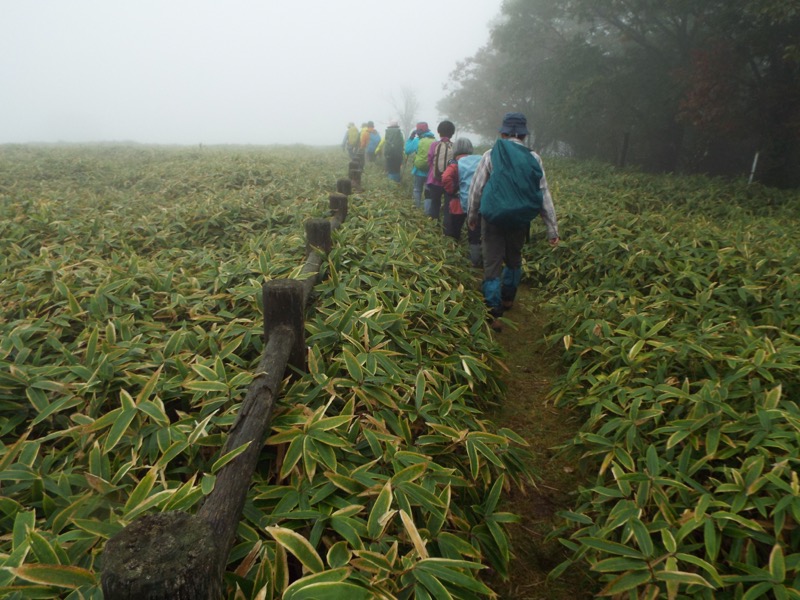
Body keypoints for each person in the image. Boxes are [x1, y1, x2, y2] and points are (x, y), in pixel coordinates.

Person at [468, 112, 559, 332]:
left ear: (503, 132)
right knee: (514, 260)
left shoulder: (491, 155)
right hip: (520, 218)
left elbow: (477, 189)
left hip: (492, 219)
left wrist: (472, 215)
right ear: (524, 136)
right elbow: (542, 193)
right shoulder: (533, 158)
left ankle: (494, 312)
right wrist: (552, 229)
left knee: (492, 263)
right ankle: (508, 299)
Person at [441, 137, 482, 266]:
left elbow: (445, 177)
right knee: (474, 234)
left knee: (454, 231)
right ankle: (475, 261)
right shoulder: (478, 162)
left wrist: (452, 191)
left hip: (458, 204)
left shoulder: (455, 164)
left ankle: (454, 260)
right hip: (477, 204)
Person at [424, 120, 455, 220]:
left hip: (434, 180)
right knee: (447, 206)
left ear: (439, 131)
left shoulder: (434, 145)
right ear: (452, 133)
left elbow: (429, 160)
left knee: (435, 203)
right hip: (449, 181)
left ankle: (434, 225)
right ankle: (447, 229)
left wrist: (434, 170)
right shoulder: (454, 146)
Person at [404, 122, 435, 209]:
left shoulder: (417, 140)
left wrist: (411, 138)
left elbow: (407, 150)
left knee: (417, 189)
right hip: (430, 171)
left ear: (418, 131)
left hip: (419, 170)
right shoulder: (434, 140)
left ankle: (416, 209)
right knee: (428, 191)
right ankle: (427, 211)